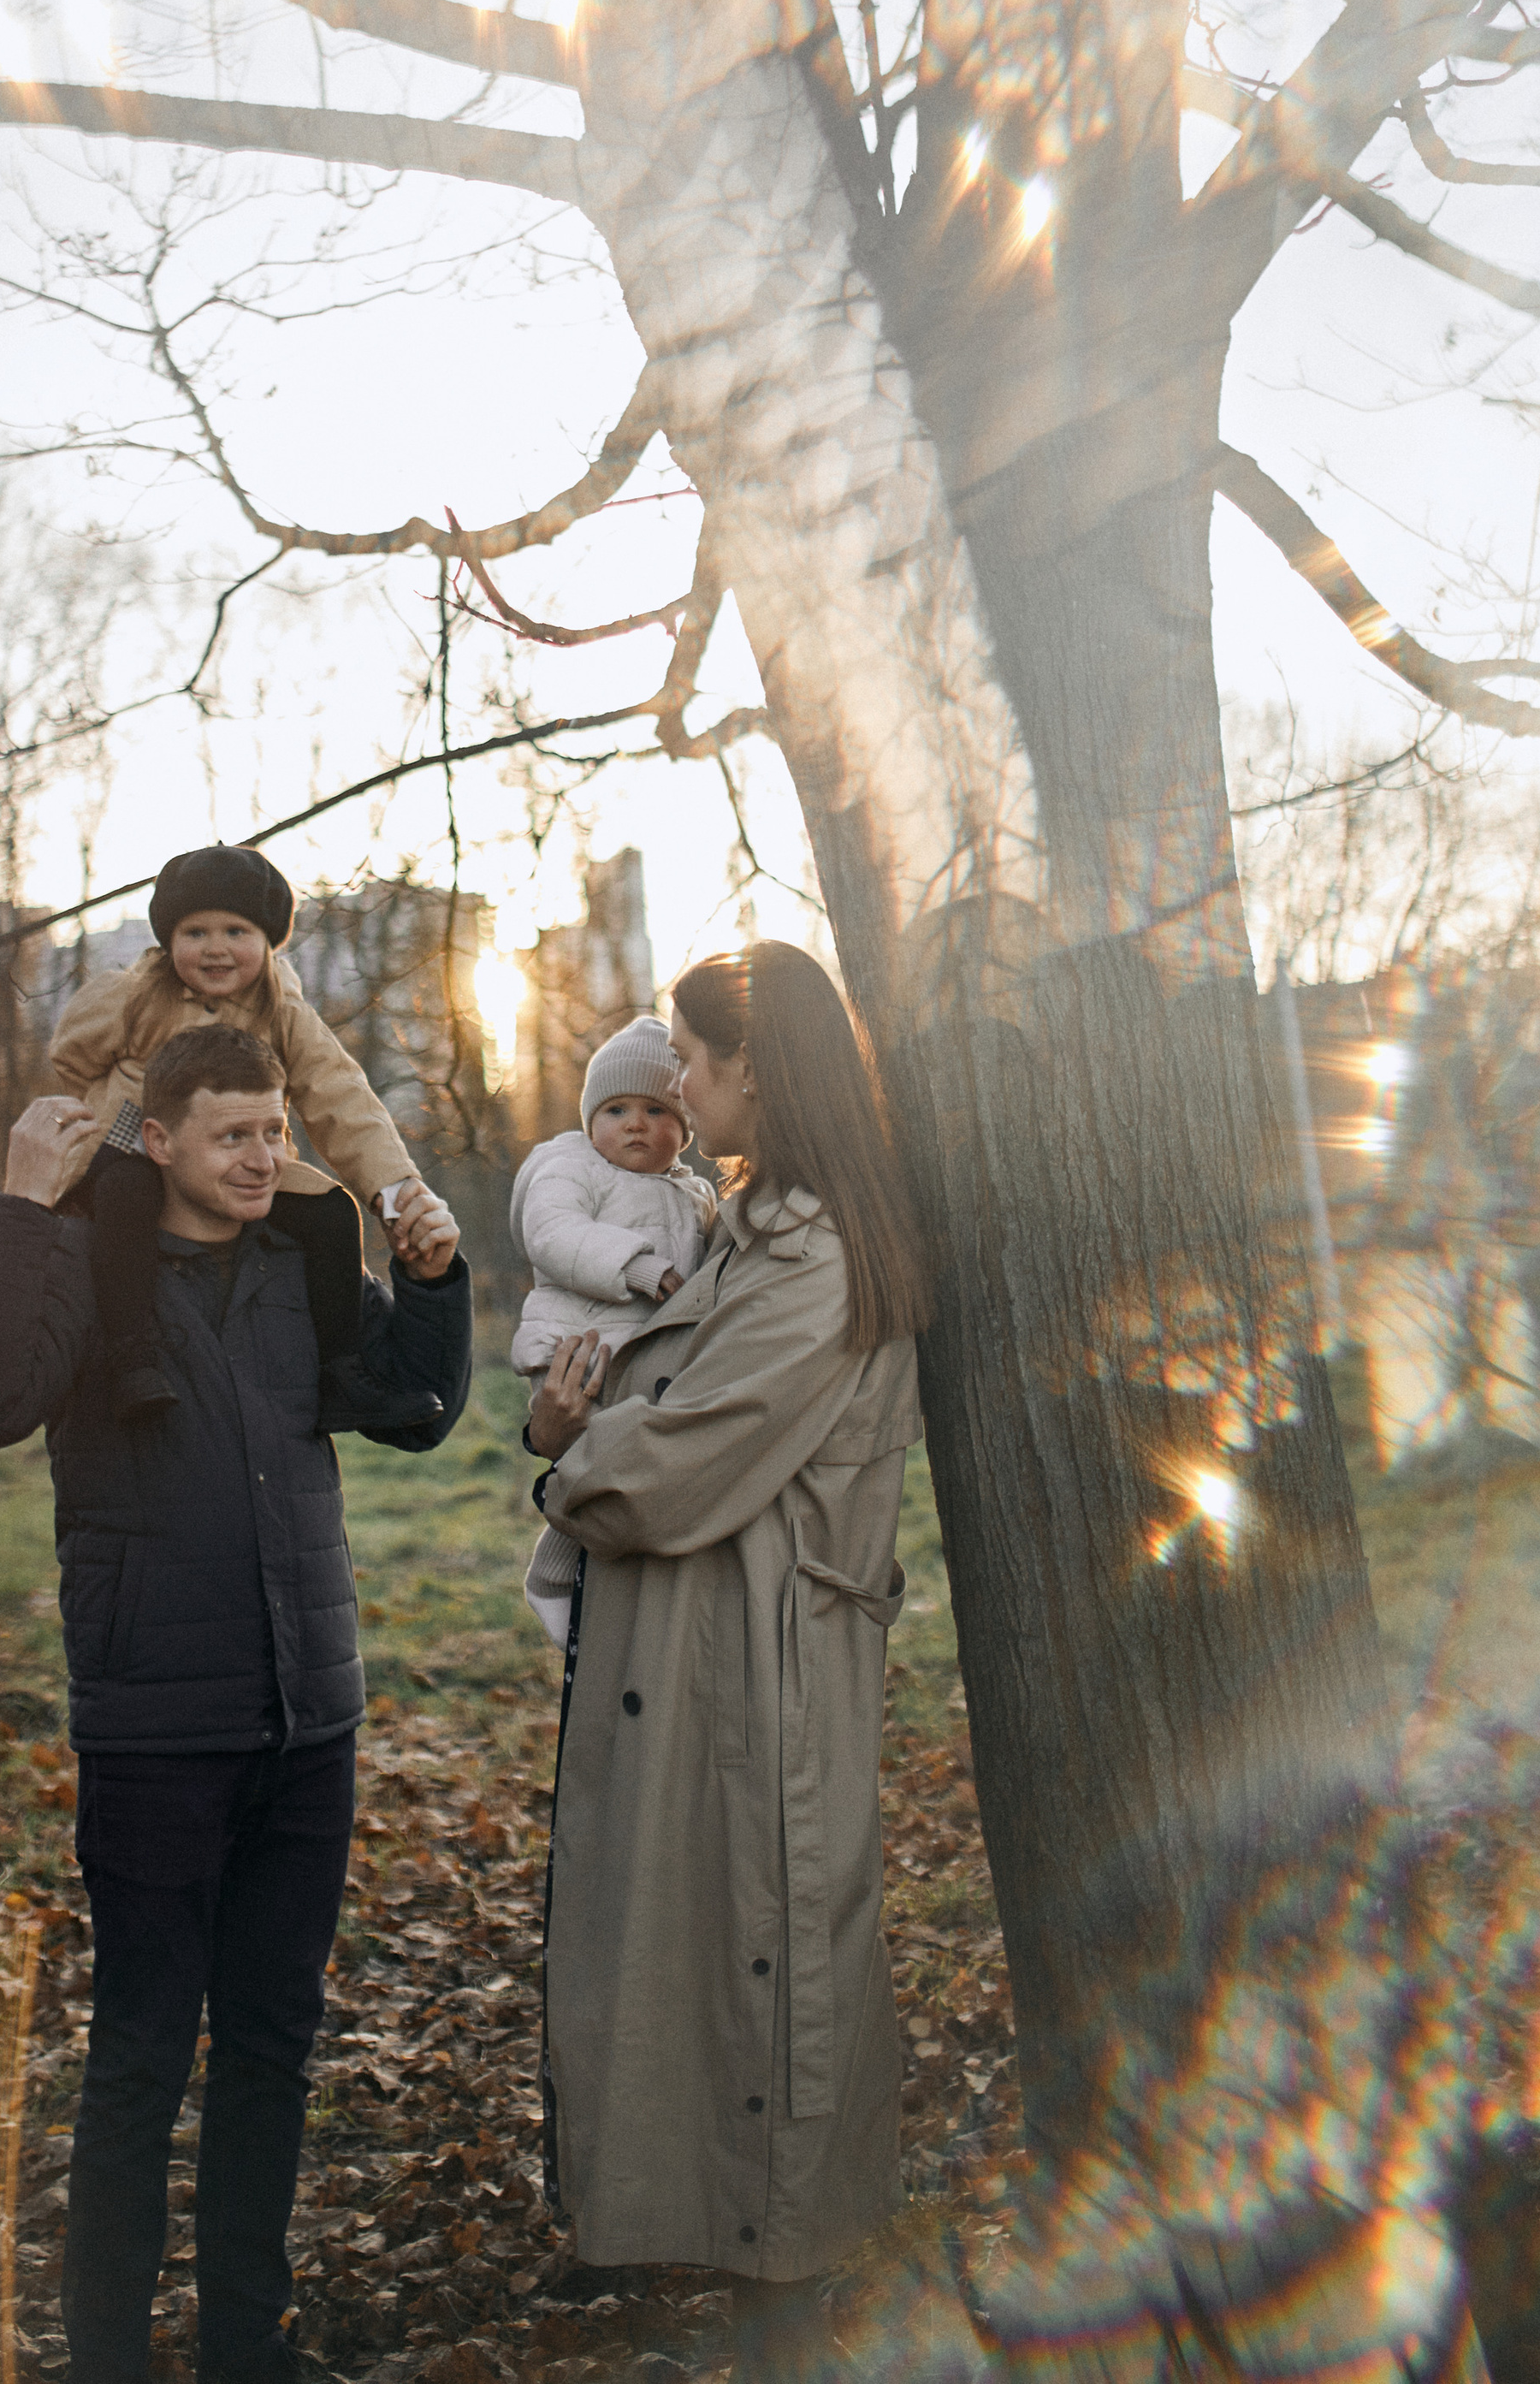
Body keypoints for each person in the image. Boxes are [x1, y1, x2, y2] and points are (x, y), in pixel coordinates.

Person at [0, 1021, 469, 2384]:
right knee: (142, 2060)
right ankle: (104, 2358)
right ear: (155, 1140)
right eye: (233, 1134)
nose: (263, 1156)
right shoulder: (88, 1274)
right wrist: (16, 1209)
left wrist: (433, 1279)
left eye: (275, 1131)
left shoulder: (298, 1266)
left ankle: (246, 2347)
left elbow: (413, 1404)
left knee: (273, 2049)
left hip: (308, 1726)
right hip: (159, 1731)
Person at [525, 943, 928, 2372]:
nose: (678, 1093)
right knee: (726, 1968)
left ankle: (795, 2309)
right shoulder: (768, 1228)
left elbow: (676, 1463)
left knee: (773, 1973)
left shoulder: (813, 1253)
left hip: (761, 1674)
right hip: (714, 1659)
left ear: (758, 1063)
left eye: (693, 1060)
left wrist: (571, 1454)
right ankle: (760, 2283)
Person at [47, 843, 451, 1425]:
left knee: (330, 1214)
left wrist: (394, 1188)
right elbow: (71, 1054)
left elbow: (341, 1096)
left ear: (268, 941)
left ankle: (341, 1372)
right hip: (136, 1147)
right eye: (195, 932)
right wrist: (121, 1097)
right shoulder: (138, 993)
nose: (215, 948)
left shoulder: (282, 1010)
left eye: (236, 931)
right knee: (123, 1199)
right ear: (169, 941)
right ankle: (131, 1358)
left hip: (243, 1165)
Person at [508, 1014, 717, 1645]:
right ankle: (552, 1570)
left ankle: (596, 1586)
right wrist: (641, 1268)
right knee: (591, 1463)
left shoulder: (695, 1194)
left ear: (683, 1128)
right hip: (578, 1349)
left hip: (642, 1360)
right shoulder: (571, 1164)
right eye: (617, 1108)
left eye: (657, 1110)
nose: (635, 1123)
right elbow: (550, 1233)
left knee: (628, 1473)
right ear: (589, 1118)